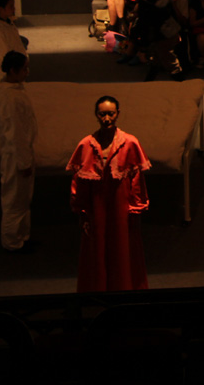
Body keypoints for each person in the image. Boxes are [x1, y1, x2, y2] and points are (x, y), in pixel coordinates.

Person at [67, 96, 150, 292]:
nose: (106, 119)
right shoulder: (86, 145)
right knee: (96, 247)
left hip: (121, 206)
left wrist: (135, 209)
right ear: (96, 115)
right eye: (102, 114)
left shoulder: (130, 143)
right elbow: (78, 182)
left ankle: (126, 291)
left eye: (111, 114)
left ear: (117, 114)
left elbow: (137, 181)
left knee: (123, 248)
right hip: (96, 206)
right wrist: (82, 210)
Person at [0, 51, 38, 254]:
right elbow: (16, 133)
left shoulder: (13, 91)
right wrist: (24, 162)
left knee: (22, 200)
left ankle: (22, 236)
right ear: (13, 70)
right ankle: (12, 242)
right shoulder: (10, 98)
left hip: (21, 152)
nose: (27, 72)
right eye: (24, 69)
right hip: (15, 157)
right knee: (14, 201)